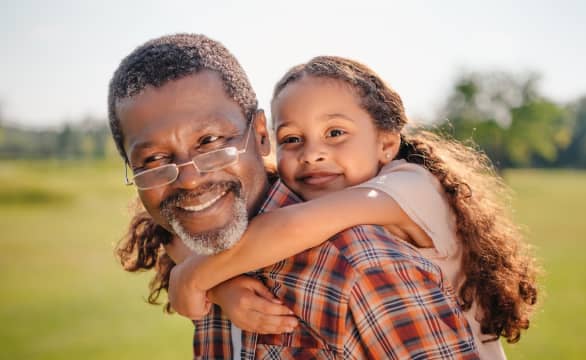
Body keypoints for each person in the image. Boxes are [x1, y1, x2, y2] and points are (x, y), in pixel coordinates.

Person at [108, 34, 479, 359]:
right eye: (154, 159)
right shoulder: (212, 241)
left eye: (209, 141)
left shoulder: (364, 260)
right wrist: (217, 284)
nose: (188, 181)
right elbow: (169, 234)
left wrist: (193, 278)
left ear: (259, 135)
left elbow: (293, 226)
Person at [168, 56, 539, 358]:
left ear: (386, 143)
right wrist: (225, 287)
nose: (312, 154)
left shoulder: (411, 186)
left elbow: (292, 227)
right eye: (292, 139)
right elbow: (177, 230)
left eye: (335, 133)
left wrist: (196, 277)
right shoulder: (300, 193)